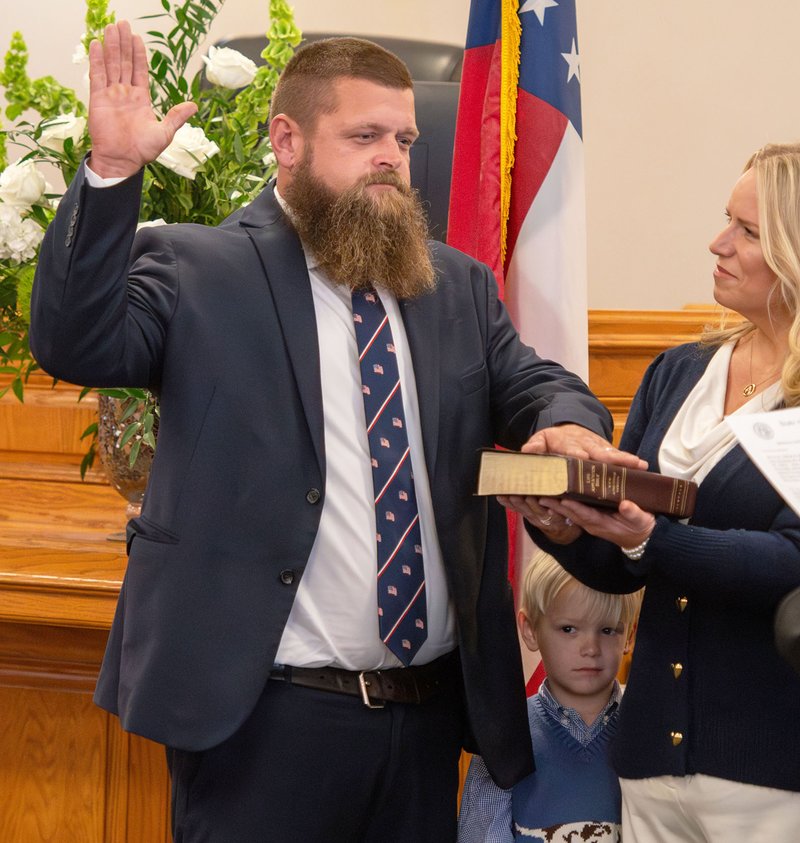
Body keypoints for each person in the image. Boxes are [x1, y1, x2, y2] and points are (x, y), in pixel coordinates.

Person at [28, 22, 637, 843]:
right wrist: (111, 173)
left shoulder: (453, 284)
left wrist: (567, 426)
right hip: (262, 726)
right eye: (365, 136)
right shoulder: (199, 269)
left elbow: (539, 384)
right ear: (287, 139)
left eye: (405, 138)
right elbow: (75, 341)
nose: (393, 155)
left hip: (422, 726)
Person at [504, 143, 800, 841]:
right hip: (647, 764)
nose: (717, 242)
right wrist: (565, 525)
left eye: (748, 231)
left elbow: (790, 563)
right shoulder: (678, 371)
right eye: (726, 219)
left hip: (771, 766)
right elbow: (626, 564)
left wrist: (648, 535)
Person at [458, 550, 642, 843]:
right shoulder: (505, 734)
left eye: (607, 630)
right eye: (569, 629)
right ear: (530, 629)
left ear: (630, 636)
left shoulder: (648, 730)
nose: (591, 648)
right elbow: (481, 835)